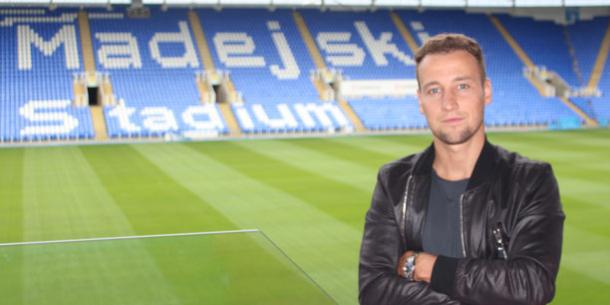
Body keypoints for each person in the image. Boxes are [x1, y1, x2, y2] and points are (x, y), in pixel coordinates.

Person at [358, 33, 564, 305]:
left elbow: (532, 282)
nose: (449, 103)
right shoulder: (394, 182)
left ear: (486, 91)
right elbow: (373, 290)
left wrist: (428, 267)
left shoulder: (530, 180)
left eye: (462, 86)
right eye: (434, 90)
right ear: (420, 102)